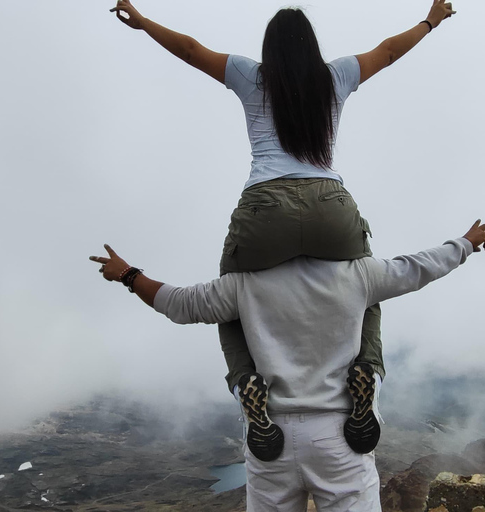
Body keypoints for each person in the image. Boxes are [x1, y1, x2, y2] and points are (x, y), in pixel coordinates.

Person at [108, 0, 457, 460]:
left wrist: (143, 21)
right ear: (311, 46)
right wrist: (430, 21)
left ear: (268, 48)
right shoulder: (336, 76)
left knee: (230, 297)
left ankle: (246, 383)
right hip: (331, 206)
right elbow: (389, 51)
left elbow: (191, 50)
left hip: (263, 210)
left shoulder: (252, 76)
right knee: (368, 285)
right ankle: (365, 372)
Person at [89, 219, 485, 512]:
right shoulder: (358, 273)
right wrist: (466, 242)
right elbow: (420, 267)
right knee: (371, 302)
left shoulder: (243, 282)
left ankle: (244, 388)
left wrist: (127, 273)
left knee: (227, 316)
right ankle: (366, 377)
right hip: (340, 434)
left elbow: (177, 304)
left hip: (272, 437)